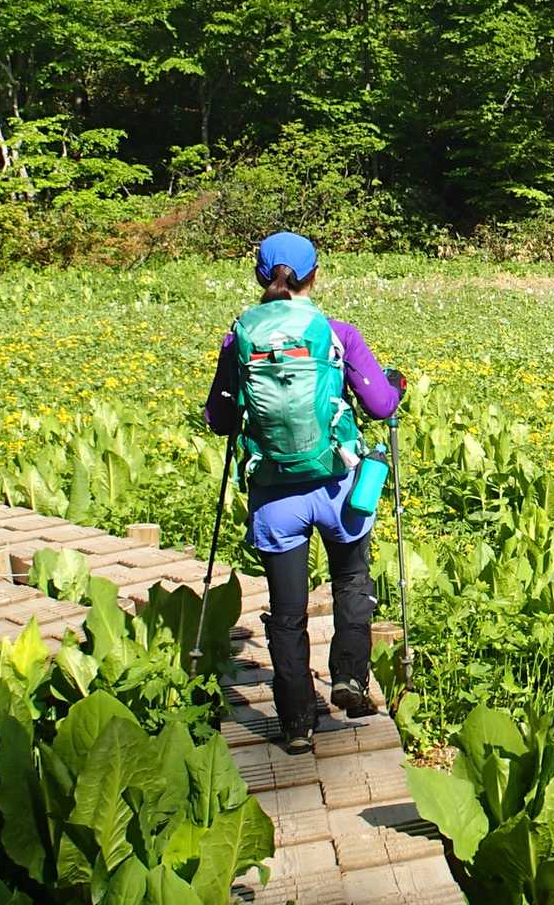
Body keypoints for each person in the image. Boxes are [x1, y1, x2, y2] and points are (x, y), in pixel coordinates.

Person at [203, 231, 404, 755]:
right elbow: (381, 406)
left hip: (276, 496)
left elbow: (219, 419)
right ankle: (349, 678)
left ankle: (295, 722)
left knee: (287, 611)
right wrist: (395, 386)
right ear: (315, 275)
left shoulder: (239, 339)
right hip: (339, 488)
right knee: (351, 581)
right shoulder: (337, 334)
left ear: (259, 276)